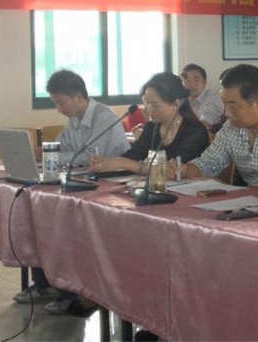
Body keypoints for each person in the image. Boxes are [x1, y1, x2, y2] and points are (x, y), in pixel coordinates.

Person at [13, 69, 130, 316]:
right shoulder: (74, 119)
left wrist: (52, 155)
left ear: (78, 96)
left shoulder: (103, 117)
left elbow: (88, 157)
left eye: (61, 102)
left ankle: (70, 292)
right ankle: (45, 283)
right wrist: (43, 153)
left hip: (110, 188)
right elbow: (64, 149)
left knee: (63, 227)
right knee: (42, 218)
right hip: (83, 185)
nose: (58, 109)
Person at [91, 72, 210, 174]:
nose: (148, 109)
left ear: (176, 104)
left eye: (154, 105)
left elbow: (172, 170)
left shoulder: (194, 131)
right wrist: (108, 162)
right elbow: (133, 156)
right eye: (146, 102)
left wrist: (124, 163)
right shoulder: (151, 127)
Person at [180, 63, 225, 128]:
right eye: (188, 81)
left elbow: (205, 122)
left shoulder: (214, 99)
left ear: (204, 81)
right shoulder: (182, 99)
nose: (192, 84)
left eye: (196, 80)